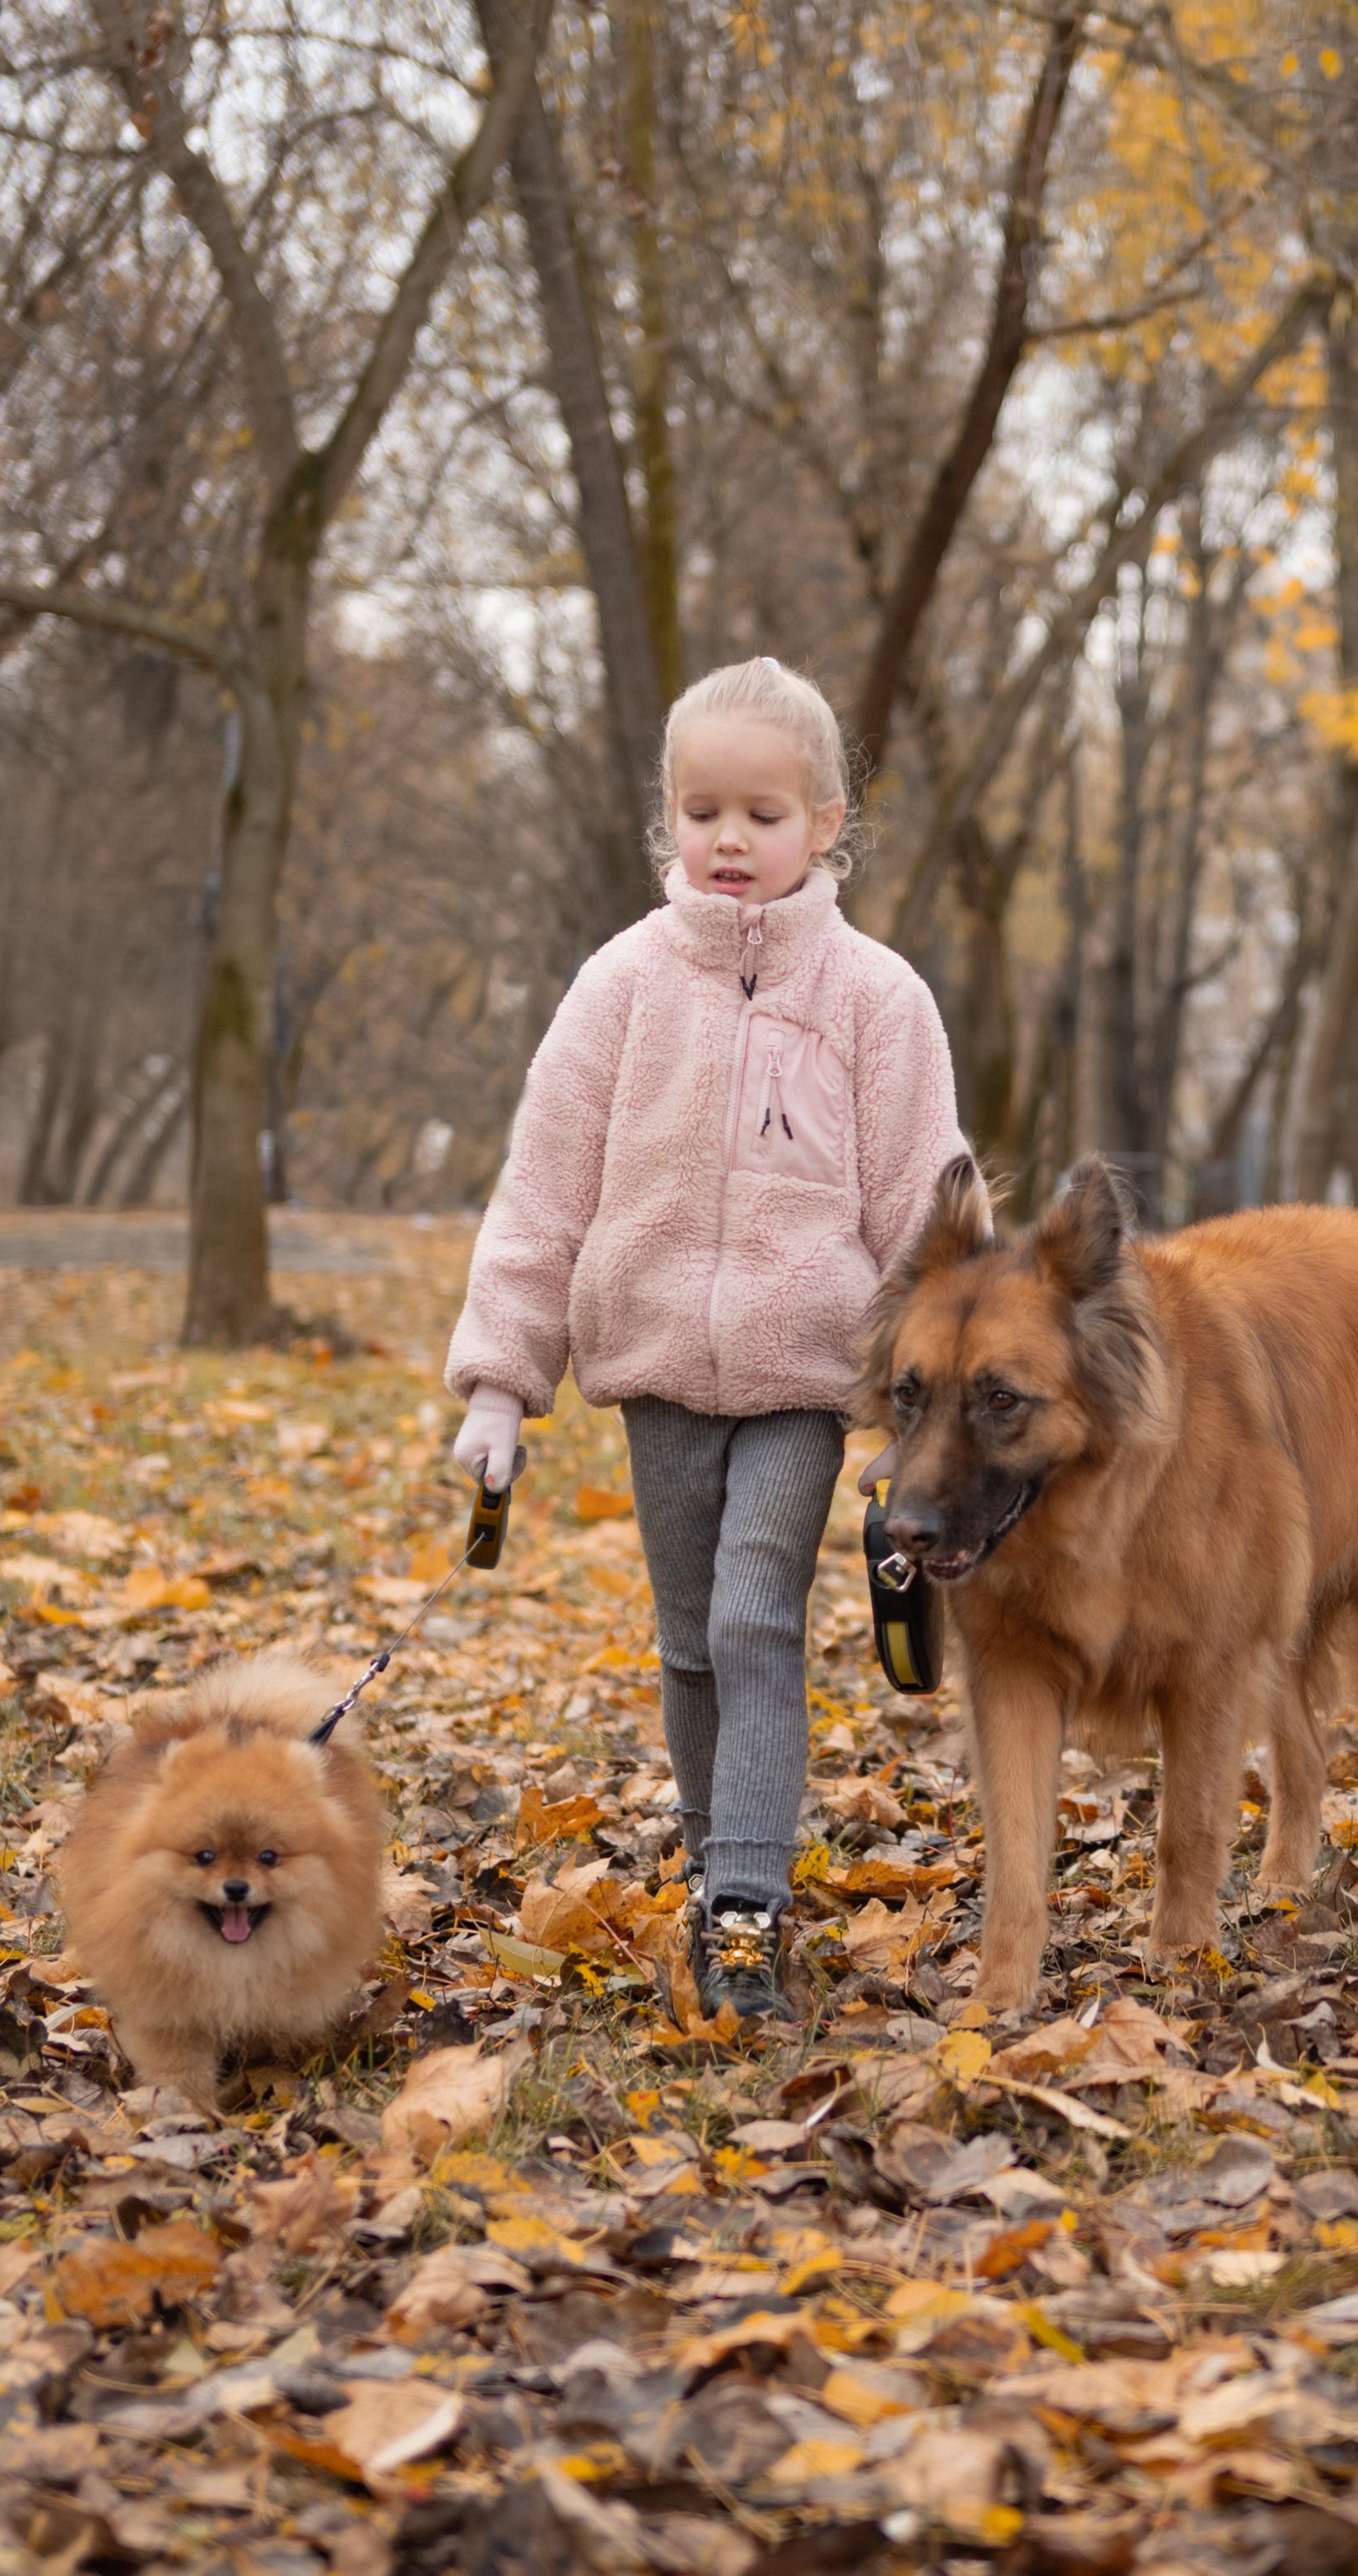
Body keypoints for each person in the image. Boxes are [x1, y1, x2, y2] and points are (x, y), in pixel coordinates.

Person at [445, 658, 961, 2022]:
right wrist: (501, 1381)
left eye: (762, 814)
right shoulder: (620, 986)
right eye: (700, 811)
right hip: (657, 1375)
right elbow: (545, 1187)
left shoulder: (876, 1000)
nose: (728, 840)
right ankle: (714, 1866)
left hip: (803, 1378)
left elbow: (926, 1211)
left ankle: (745, 1909)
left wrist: (925, 1415)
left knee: (753, 1619)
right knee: (687, 1643)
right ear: (668, 817)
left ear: (827, 821)